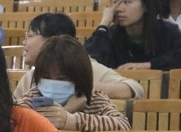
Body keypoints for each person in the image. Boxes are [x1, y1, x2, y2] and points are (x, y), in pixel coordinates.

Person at [14, 12, 144, 100]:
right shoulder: (30, 77)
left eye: (30, 36)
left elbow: (135, 88)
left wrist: (87, 88)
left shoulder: (87, 67)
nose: (24, 42)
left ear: (53, 40)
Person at [17, 36, 130, 132]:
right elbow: (13, 121)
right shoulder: (35, 95)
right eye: (46, 77)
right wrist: (68, 109)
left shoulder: (93, 99)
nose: (53, 83)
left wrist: (71, 120)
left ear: (79, 78)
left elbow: (123, 125)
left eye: (62, 78)